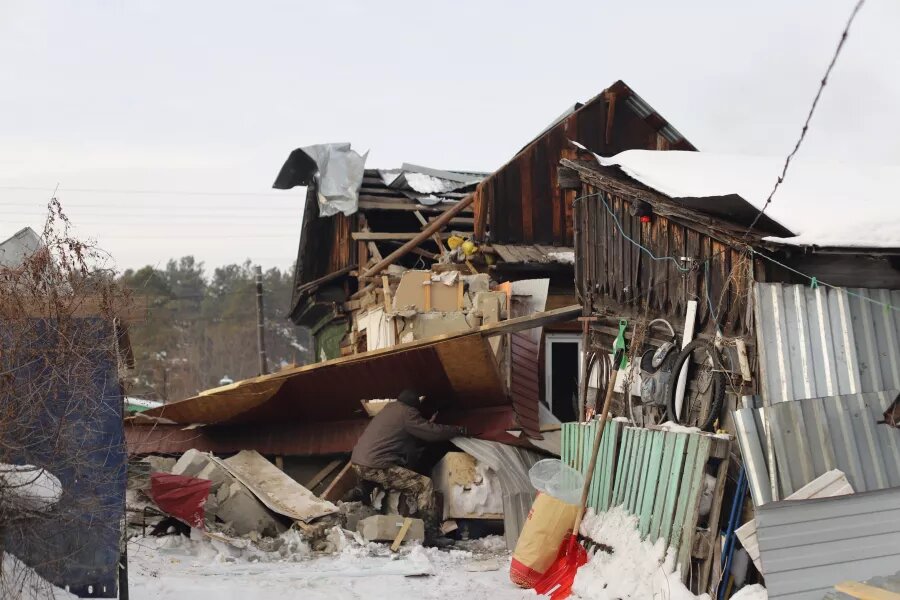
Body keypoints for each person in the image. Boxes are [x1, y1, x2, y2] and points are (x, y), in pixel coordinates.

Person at [350, 389, 466, 539]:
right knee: (424, 484)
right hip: (376, 466)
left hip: (358, 463)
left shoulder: (389, 409)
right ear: (414, 406)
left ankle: (361, 490)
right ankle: (432, 534)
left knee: (386, 472)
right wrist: (457, 430)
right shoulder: (407, 413)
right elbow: (431, 432)